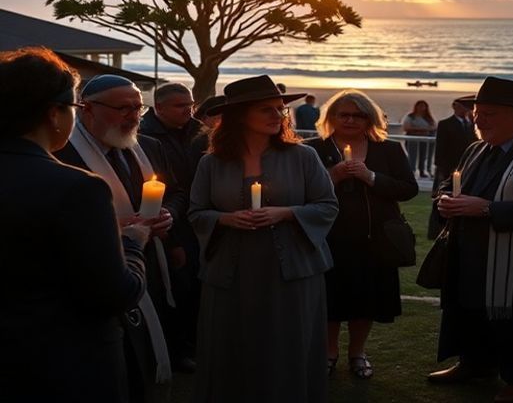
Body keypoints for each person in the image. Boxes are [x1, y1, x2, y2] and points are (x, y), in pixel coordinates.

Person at [0, 48, 148, 403]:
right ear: (54, 113)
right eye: (74, 108)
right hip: (62, 363)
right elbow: (115, 293)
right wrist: (131, 244)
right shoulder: (78, 188)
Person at [188, 75, 338, 403]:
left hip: (290, 273)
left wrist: (285, 213)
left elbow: (327, 206)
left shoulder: (303, 157)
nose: (278, 115)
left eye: (280, 109)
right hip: (232, 273)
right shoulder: (211, 163)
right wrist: (225, 219)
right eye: (266, 109)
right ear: (240, 115)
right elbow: (196, 213)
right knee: (232, 346)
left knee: (285, 346)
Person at [427, 77, 513, 403]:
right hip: (470, 250)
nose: (479, 120)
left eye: (489, 114)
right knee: (470, 310)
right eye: (477, 113)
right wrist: (445, 200)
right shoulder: (476, 148)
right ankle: (474, 363)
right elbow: (449, 184)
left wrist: (487, 209)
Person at [55, 74, 179, 402]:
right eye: (123, 108)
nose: (134, 117)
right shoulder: (63, 154)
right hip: (98, 274)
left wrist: (168, 215)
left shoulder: (148, 146)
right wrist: (114, 227)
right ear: (87, 109)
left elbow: (176, 194)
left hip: (148, 264)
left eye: (138, 108)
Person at [306, 90, 418, 379]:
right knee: (329, 299)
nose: (351, 120)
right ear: (331, 117)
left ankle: (358, 352)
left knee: (365, 300)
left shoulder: (388, 149)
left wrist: (371, 177)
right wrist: (333, 175)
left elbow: (408, 189)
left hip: (374, 240)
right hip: (327, 239)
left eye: (359, 115)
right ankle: (329, 352)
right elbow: (299, 190)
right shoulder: (312, 149)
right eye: (344, 114)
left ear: (370, 119)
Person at [139, 82, 203, 373]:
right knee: (176, 287)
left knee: (195, 286)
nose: (188, 110)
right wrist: (172, 232)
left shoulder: (198, 131)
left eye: (190, 104)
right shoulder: (146, 138)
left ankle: (193, 343)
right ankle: (176, 349)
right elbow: (167, 187)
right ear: (159, 108)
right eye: (180, 106)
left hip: (194, 215)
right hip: (169, 223)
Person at [429, 98, 477, 238]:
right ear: (455, 107)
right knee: (442, 198)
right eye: (463, 107)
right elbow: (440, 149)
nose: (465, 110)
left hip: (467, 168)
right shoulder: (445, 124)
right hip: (449, 167)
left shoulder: (472, 124)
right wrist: (443, 169)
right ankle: (437, 230)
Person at [402, 100, 436, 177]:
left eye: (423, 106)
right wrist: (421, 129)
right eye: (420, 106)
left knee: (423, 155)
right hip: (412, 140)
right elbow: (406, 127)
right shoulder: (411, 117)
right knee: (412, 156)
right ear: (416, 107)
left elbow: (434, 127)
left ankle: (423, 171)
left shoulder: (429, 118)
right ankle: (411, 171)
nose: (422, 108)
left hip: (425, 140)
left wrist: (423, 130)